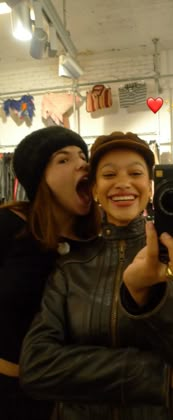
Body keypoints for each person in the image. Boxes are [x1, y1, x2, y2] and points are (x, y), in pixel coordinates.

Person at [19, 131, 173, 420]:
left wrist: (154, 295)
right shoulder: (71, 266)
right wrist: (160, 375)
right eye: (109, 174)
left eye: (136, 172)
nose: (123, 183)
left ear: (150, 187)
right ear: (94, 190)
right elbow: (37, 367)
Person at [0, 126, 99, 420]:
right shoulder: (8, 226)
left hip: (74, 395)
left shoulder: (97, 240)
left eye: (83, 156)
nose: (82, 163)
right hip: (9, 395)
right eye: (63, 159)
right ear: (38, 177)